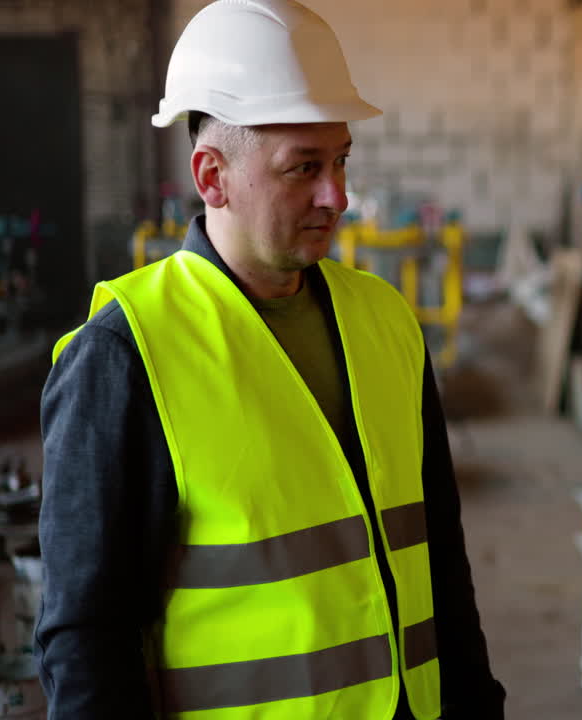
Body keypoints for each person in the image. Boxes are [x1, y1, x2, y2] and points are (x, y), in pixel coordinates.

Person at [35, 1, 504, 718]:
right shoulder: (125, 355)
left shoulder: (385, 320)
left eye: (342, 160)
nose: (337, 196)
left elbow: (440, 551)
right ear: (211, 175)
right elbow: (86, 638)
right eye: (304, 168)